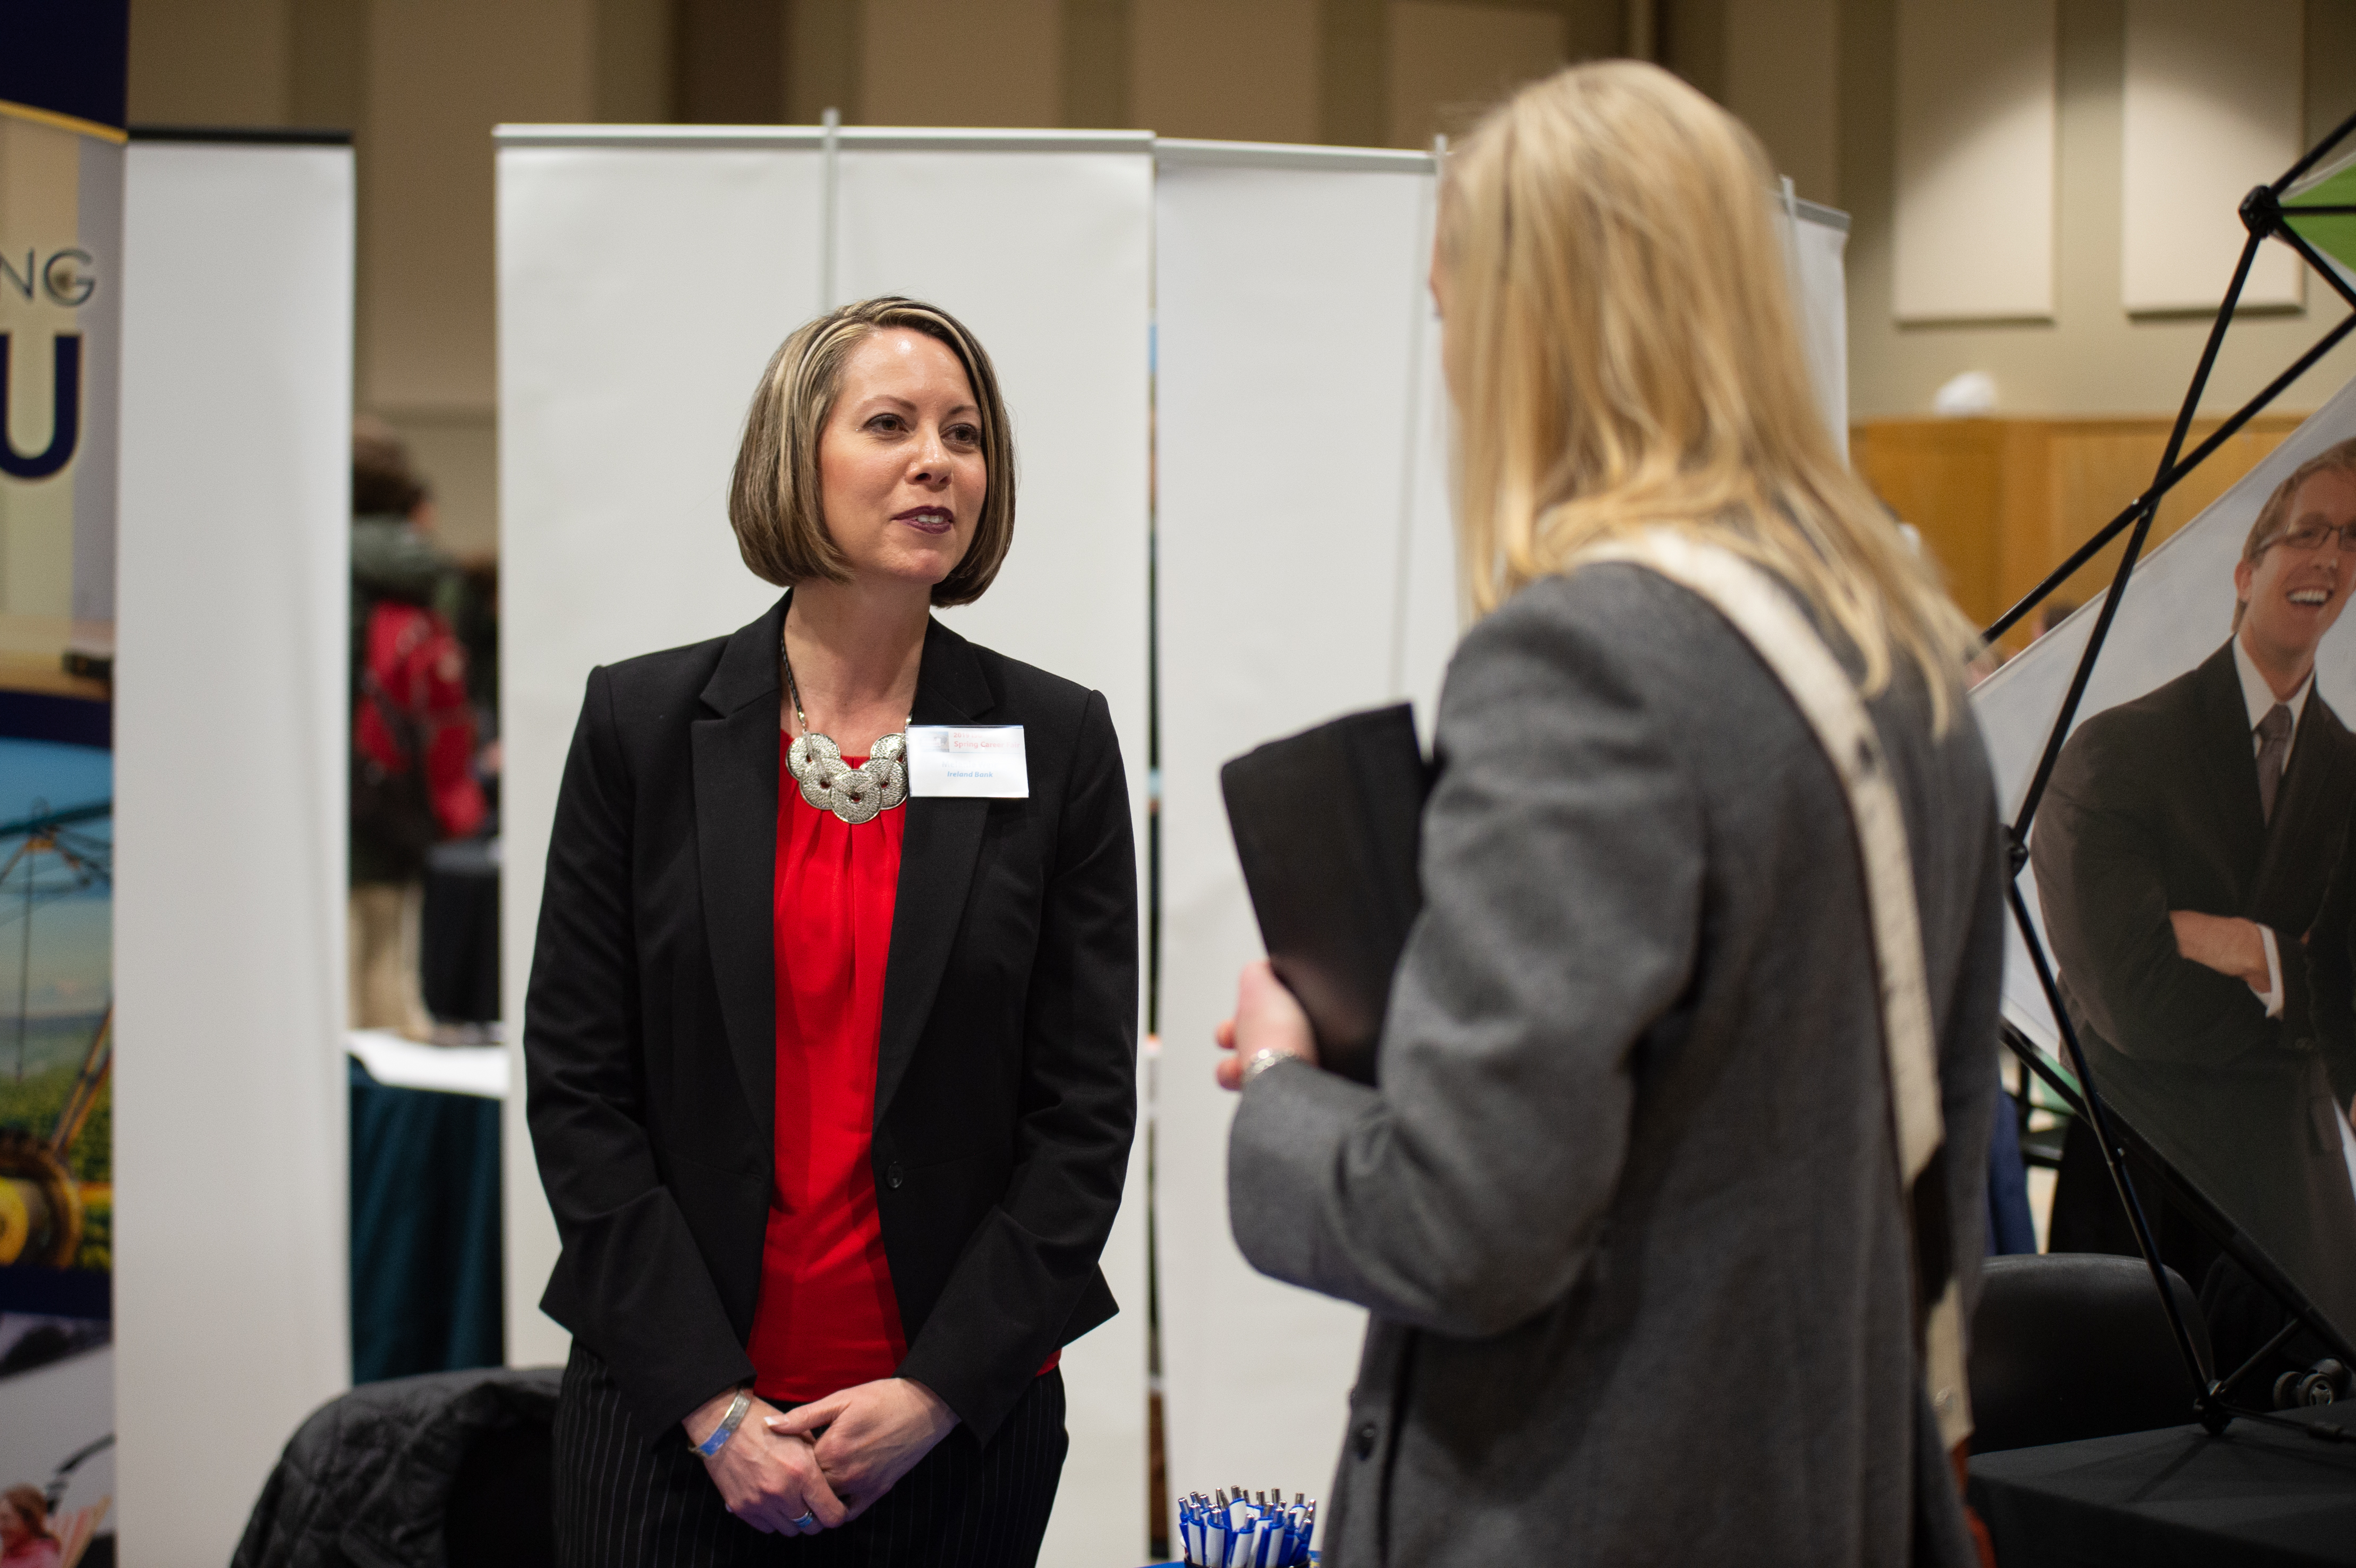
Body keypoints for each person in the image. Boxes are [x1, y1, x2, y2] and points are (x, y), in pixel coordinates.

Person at [1214, 62, 2002, 1566]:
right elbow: (1938, 1166)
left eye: (1450, 314)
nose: (1447, 364)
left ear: (1526, 328)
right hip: (1829, 1485)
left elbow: (1462, 1223)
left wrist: (1284, 1083)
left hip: (1588, 1506)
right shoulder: (1903, 651)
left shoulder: (1583, 662)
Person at [526, 296, 1137, 1566]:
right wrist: (709, 1406)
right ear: (793, 458)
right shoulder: (640, 726)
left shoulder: (1054, 740)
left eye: (964, 434)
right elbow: (580, 1090)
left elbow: (1081, 1114)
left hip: (950, 1438)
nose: (937, 460)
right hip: (671, 1431)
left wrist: (936, 1395)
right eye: (891, 424)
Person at [2032, 439, 2356, 1332]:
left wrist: (2248, 948)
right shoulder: (2113, 754)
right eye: (2307, 533)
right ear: (2247, 570)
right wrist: (2302, 991)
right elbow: (2131, 1002)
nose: (2330, 557)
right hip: (2142, 1211)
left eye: (2352, 539)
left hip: (2303, 1230)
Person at [350, 419, 486, 1041]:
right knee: (395, 920)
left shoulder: (332, 554)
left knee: (347, 930)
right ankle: (400, 1031)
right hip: (408, 766)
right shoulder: (427, 569)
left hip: (352, 765)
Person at [0, 1486, 61, 1568]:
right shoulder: (6, 1555)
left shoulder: (45, 1561)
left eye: (6, 1519)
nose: (1, 1526)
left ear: (29, 1522)